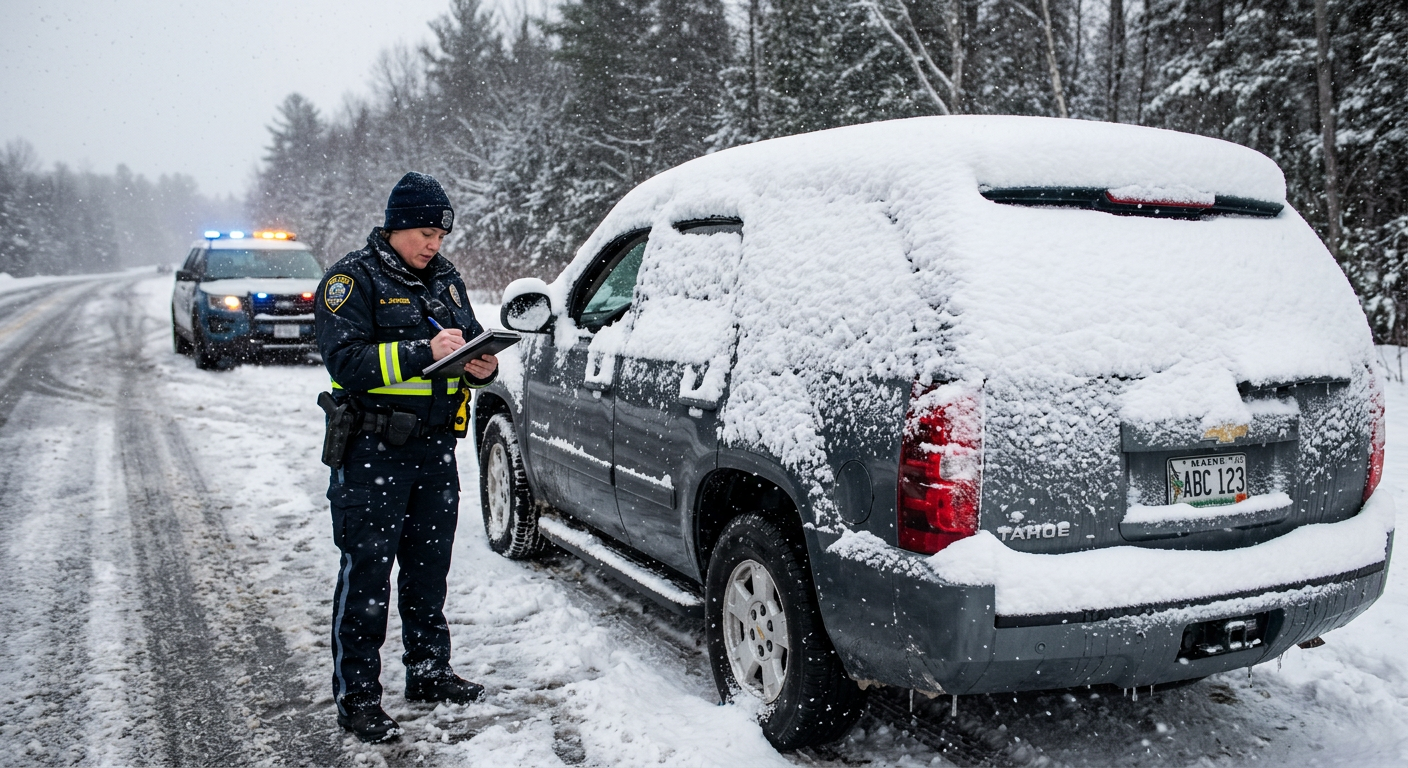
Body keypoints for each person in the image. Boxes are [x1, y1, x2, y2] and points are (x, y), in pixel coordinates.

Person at [314, 172, 498, 743]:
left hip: (435, 449)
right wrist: (422, 352)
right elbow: (345, 361)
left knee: (427, 571)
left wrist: (481, 365)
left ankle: (427, 670)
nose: (433, 245)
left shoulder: (446, 280)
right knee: (367, 575)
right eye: (423, 232)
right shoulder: (352, 279)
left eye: (440, 235)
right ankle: (359, 697)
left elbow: (465, 339)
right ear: (395, 226)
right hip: (374, 450)